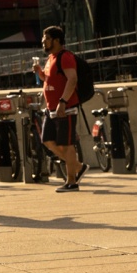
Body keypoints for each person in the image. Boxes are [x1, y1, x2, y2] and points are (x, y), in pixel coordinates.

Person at [30, 26, 86, 191]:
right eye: (43, 38)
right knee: (47, 140)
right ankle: (78, 167)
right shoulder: (50, 58)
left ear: (56, 40)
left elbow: (72, 79)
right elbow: (50, 80)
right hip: (52, 109)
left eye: (47, 38)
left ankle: (72, 182)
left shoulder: (65, 57)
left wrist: (63, 101)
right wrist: (40, 73)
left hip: (65, 108)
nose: (43, 41)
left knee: (67, 144)